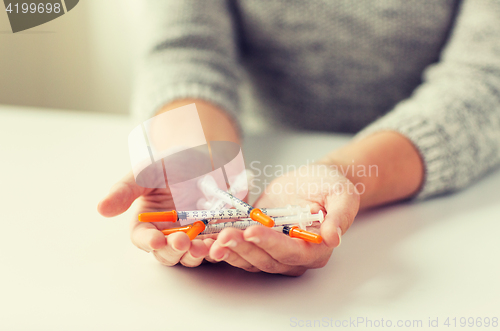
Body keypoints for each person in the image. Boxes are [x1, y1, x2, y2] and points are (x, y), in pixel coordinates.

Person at [98, 0, 500, 276]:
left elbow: (484, 80)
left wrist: (343, 173)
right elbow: (187, 48)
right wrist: (187, 149)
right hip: (260, 141)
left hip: (432, 182)